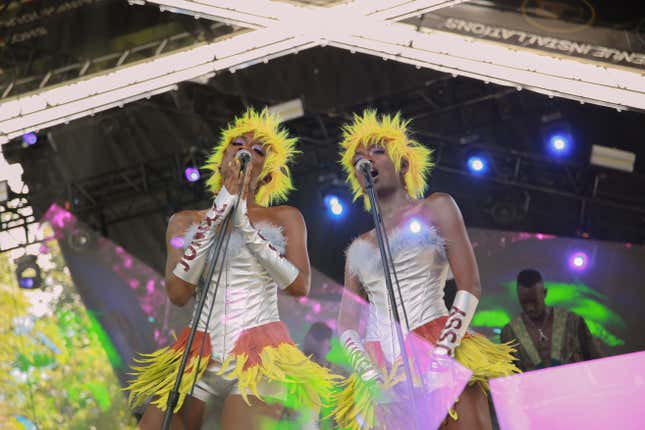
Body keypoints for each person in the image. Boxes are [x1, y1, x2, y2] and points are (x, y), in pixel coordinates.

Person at [126, 108, 337, 429]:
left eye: (257, 150)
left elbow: (299, 286)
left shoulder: (283, 217)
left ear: (267, 172)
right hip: (199, 351)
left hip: (260, 352)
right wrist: (222, 208)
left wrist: (248, 230)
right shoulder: (185, 221)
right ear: (222, 158)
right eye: (237, 144)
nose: (245, 152)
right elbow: (179, 292)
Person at [333, 110, 519, 430]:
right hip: (384, 368)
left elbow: (470, 285)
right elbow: (346, 324)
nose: (366, 160)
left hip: (441, 341)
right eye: (358, 158)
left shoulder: (436, 206)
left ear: (403, 163)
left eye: (377, 151)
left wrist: (441, 356)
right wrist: (369, 374)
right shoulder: (358, 248)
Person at [501, 269, 602, 372]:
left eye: (534, 301)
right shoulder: (510, 333)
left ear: (544, 293)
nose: (530, 308)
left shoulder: (572, 321)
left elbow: (598, 362)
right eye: (524, 303)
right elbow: (509, 378)